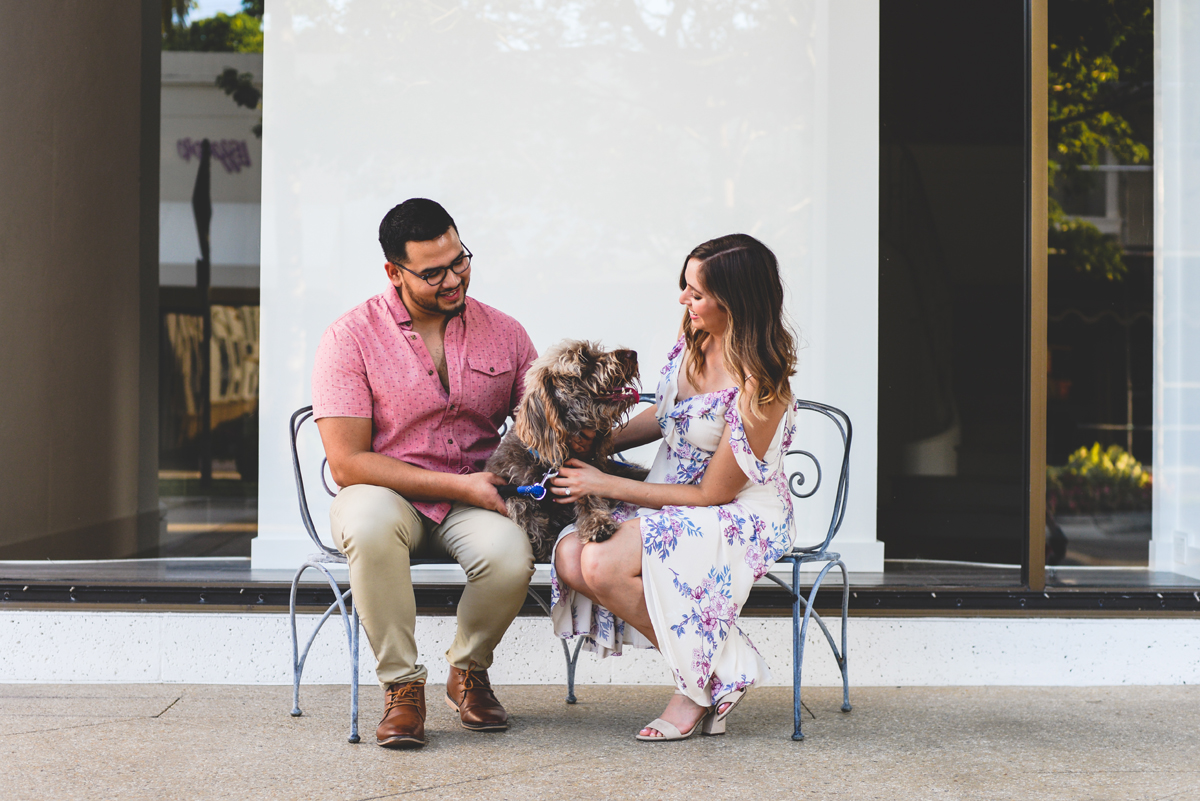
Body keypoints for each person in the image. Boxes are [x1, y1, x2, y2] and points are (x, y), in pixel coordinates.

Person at [549, 233, 799, 741]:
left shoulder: (762, 386)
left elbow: (713, 494)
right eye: (685, 286)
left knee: (601, 562)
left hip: (737, 511)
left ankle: (692, 690)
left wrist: (604, 482)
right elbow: (665, 417)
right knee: (571, 558)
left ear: (737, 302)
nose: (684, 300)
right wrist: (597, 446)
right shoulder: (698, 341)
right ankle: (725, 667)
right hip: (669, 497)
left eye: (697, 293)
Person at [312, 198, 538, 749]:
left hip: (474, 498)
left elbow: (542, 424)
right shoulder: (350, 338)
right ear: (394, 271)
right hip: (387, 494)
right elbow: (347, 462)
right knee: (365, 523)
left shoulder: (505, 332)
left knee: (512, 556)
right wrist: (462, 485)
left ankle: (467, 670)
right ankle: (402, 688)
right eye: (433, 272)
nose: (453, 279)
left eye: (459, 261)